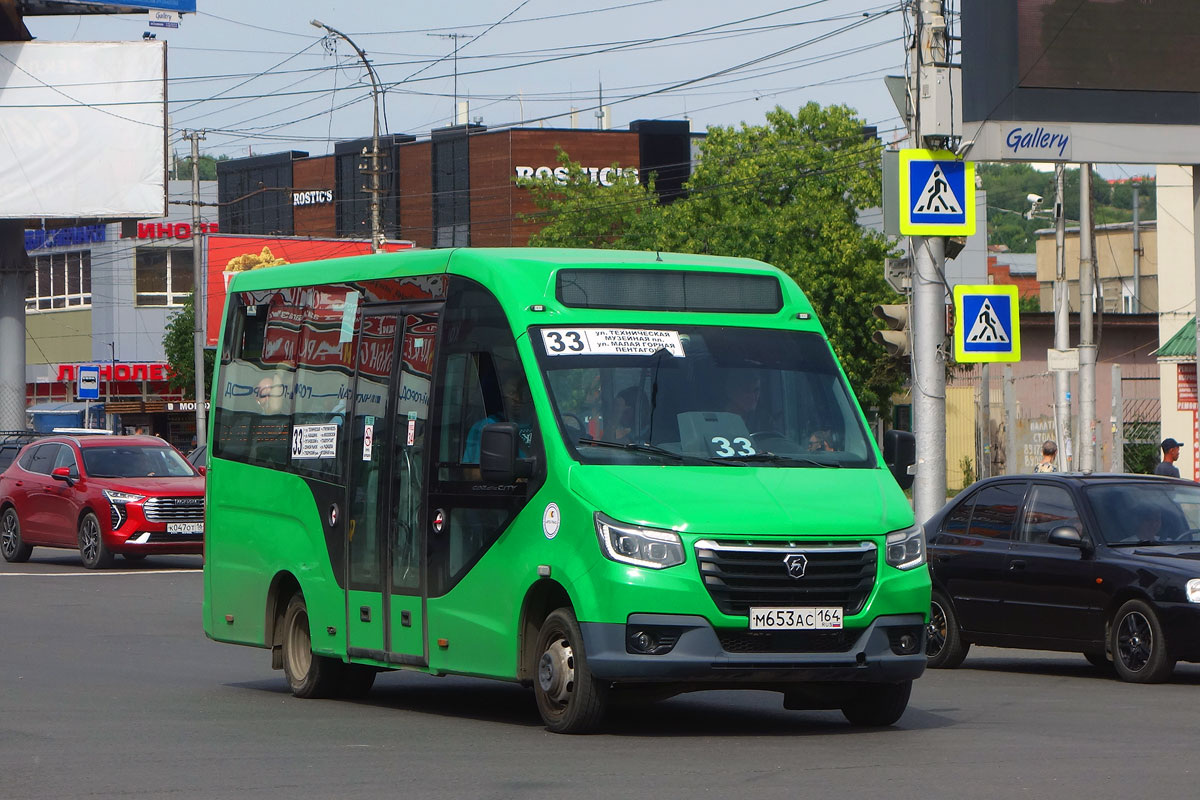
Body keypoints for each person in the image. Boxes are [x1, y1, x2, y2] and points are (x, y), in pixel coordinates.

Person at [463, 377, 533, 464]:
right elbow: (472, 472)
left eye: (523, 393)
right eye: (512, 393)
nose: (518, 399)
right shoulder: (487, 425)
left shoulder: (544, 425)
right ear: (501, 395)